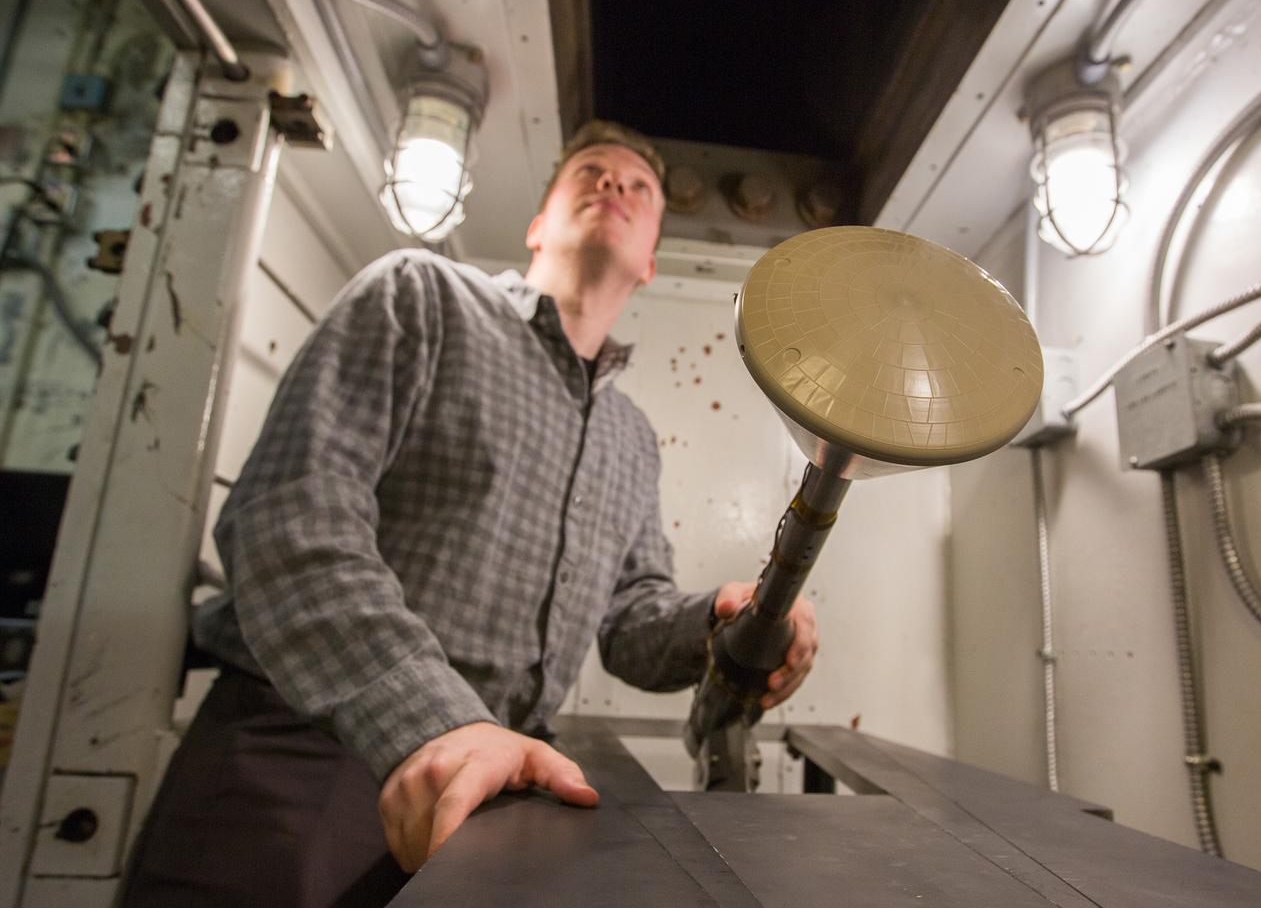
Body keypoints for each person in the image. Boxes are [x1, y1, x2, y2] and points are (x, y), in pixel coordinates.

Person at [121, 121, 818, 907]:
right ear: (537, 225)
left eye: (639, 188)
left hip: (500, 781)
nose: (614, 186)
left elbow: (628, 622)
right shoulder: (420, 295)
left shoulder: (631, 439)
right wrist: (429, 719)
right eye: (591, 172)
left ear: (651, 261)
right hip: (311, 750)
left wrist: (722, 616)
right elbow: (290, 515)